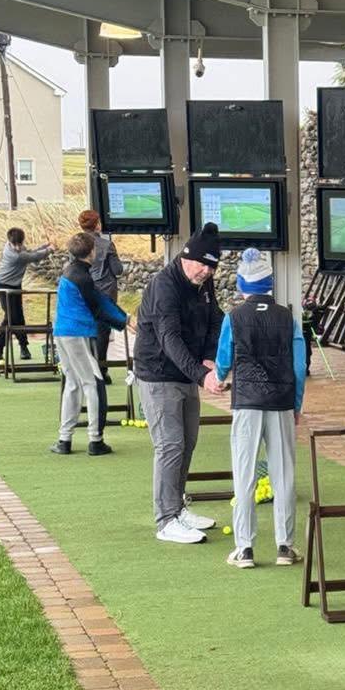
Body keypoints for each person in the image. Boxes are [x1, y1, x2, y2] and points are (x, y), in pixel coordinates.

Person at [214, 248, 306, 570]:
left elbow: (224, 360)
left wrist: (218, 376)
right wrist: (296, 405)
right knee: (284, 476)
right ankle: (285, 546)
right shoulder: (288, 317)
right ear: (270, 283)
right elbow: (298, 367)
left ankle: (245, 548)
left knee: (245, 475)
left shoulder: (234, 317)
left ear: (242, 286)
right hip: (280, 403)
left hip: (247, 403)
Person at [133, 223, 224, 545]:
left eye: (212, 266)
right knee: (170, 445)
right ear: (187, 257)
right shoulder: (164, 286)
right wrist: (202, 374)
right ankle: (166, 520)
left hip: (187, 373)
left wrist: (211, 358)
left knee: (188, 442)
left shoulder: (204, 284)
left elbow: (216, 320)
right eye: (202, 264)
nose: (206, 271)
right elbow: (169, 338)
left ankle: (178, 507)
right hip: (158, 374)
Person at [50, 231, 128, 456]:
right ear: (91, 251)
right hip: (78, 333)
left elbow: (98, 298)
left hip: (62, 333)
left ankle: (64, 439)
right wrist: (123, 321)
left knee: (73, 383)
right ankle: (95, 440)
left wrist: (125, 319)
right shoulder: (82, 277)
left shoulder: (71, 271)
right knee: (93, 383)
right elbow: (97, 306)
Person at [77, 208, 124, 381]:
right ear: (97, 225)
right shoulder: (106, 245)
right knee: (103, 333)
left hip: (83, 291)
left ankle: (87, 369)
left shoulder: (76, 243)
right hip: (105, 293)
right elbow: (118, 270)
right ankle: (101, 370)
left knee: (87, 330)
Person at [0, 227, 52, 362]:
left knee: (18, 316)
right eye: (15, 244)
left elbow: (31, 252)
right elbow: (34, 257)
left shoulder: (18, 248)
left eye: (20, 244)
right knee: (11, 318)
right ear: (10, 242)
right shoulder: (15, 255)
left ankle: (22, 347)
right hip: (3, 286)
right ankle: (0, 349)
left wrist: (46, 245)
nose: (18, 247)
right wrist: (50, 249)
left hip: (15, 285)